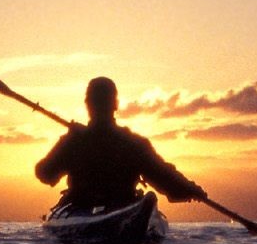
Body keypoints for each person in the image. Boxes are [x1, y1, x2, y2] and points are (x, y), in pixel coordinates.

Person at [35, 76, 207, 210]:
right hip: (99, 206)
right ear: (115, 104)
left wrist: (190, 189)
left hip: (92, 205)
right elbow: (164, 176)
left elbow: (44, 172)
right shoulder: (133, 143)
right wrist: (190, 189)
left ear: (88, 104)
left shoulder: (74, 142)